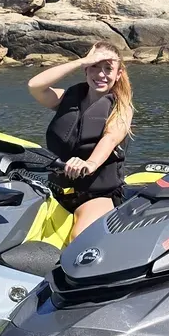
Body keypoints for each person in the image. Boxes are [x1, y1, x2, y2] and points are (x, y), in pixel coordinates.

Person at [27, 43, 135, 242]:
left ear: (118, 74)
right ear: (86, 69)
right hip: (57, 189)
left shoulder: (122, 107)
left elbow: (110, 138)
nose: (101, 74)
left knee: (80, 238)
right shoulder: (67, 98)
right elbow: (35, 86)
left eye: (108, 68)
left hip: (98, 194)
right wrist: (81, 60)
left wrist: (89, 164)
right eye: (95, 66)